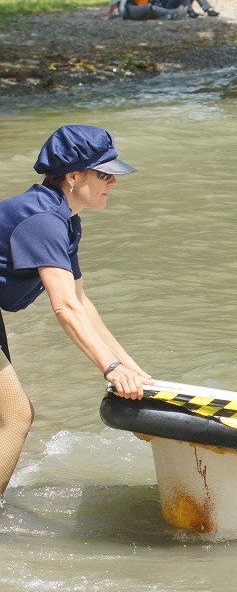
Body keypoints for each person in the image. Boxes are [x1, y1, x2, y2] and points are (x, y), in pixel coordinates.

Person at [0, 125, 151, 496]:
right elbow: (65, 308)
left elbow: (82, 302)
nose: (113, 182)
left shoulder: (65, 219)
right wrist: (110, 370)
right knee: (16, 416)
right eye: (104, 174)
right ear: (72, 176)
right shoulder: (45, 222)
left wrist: (129, 365)